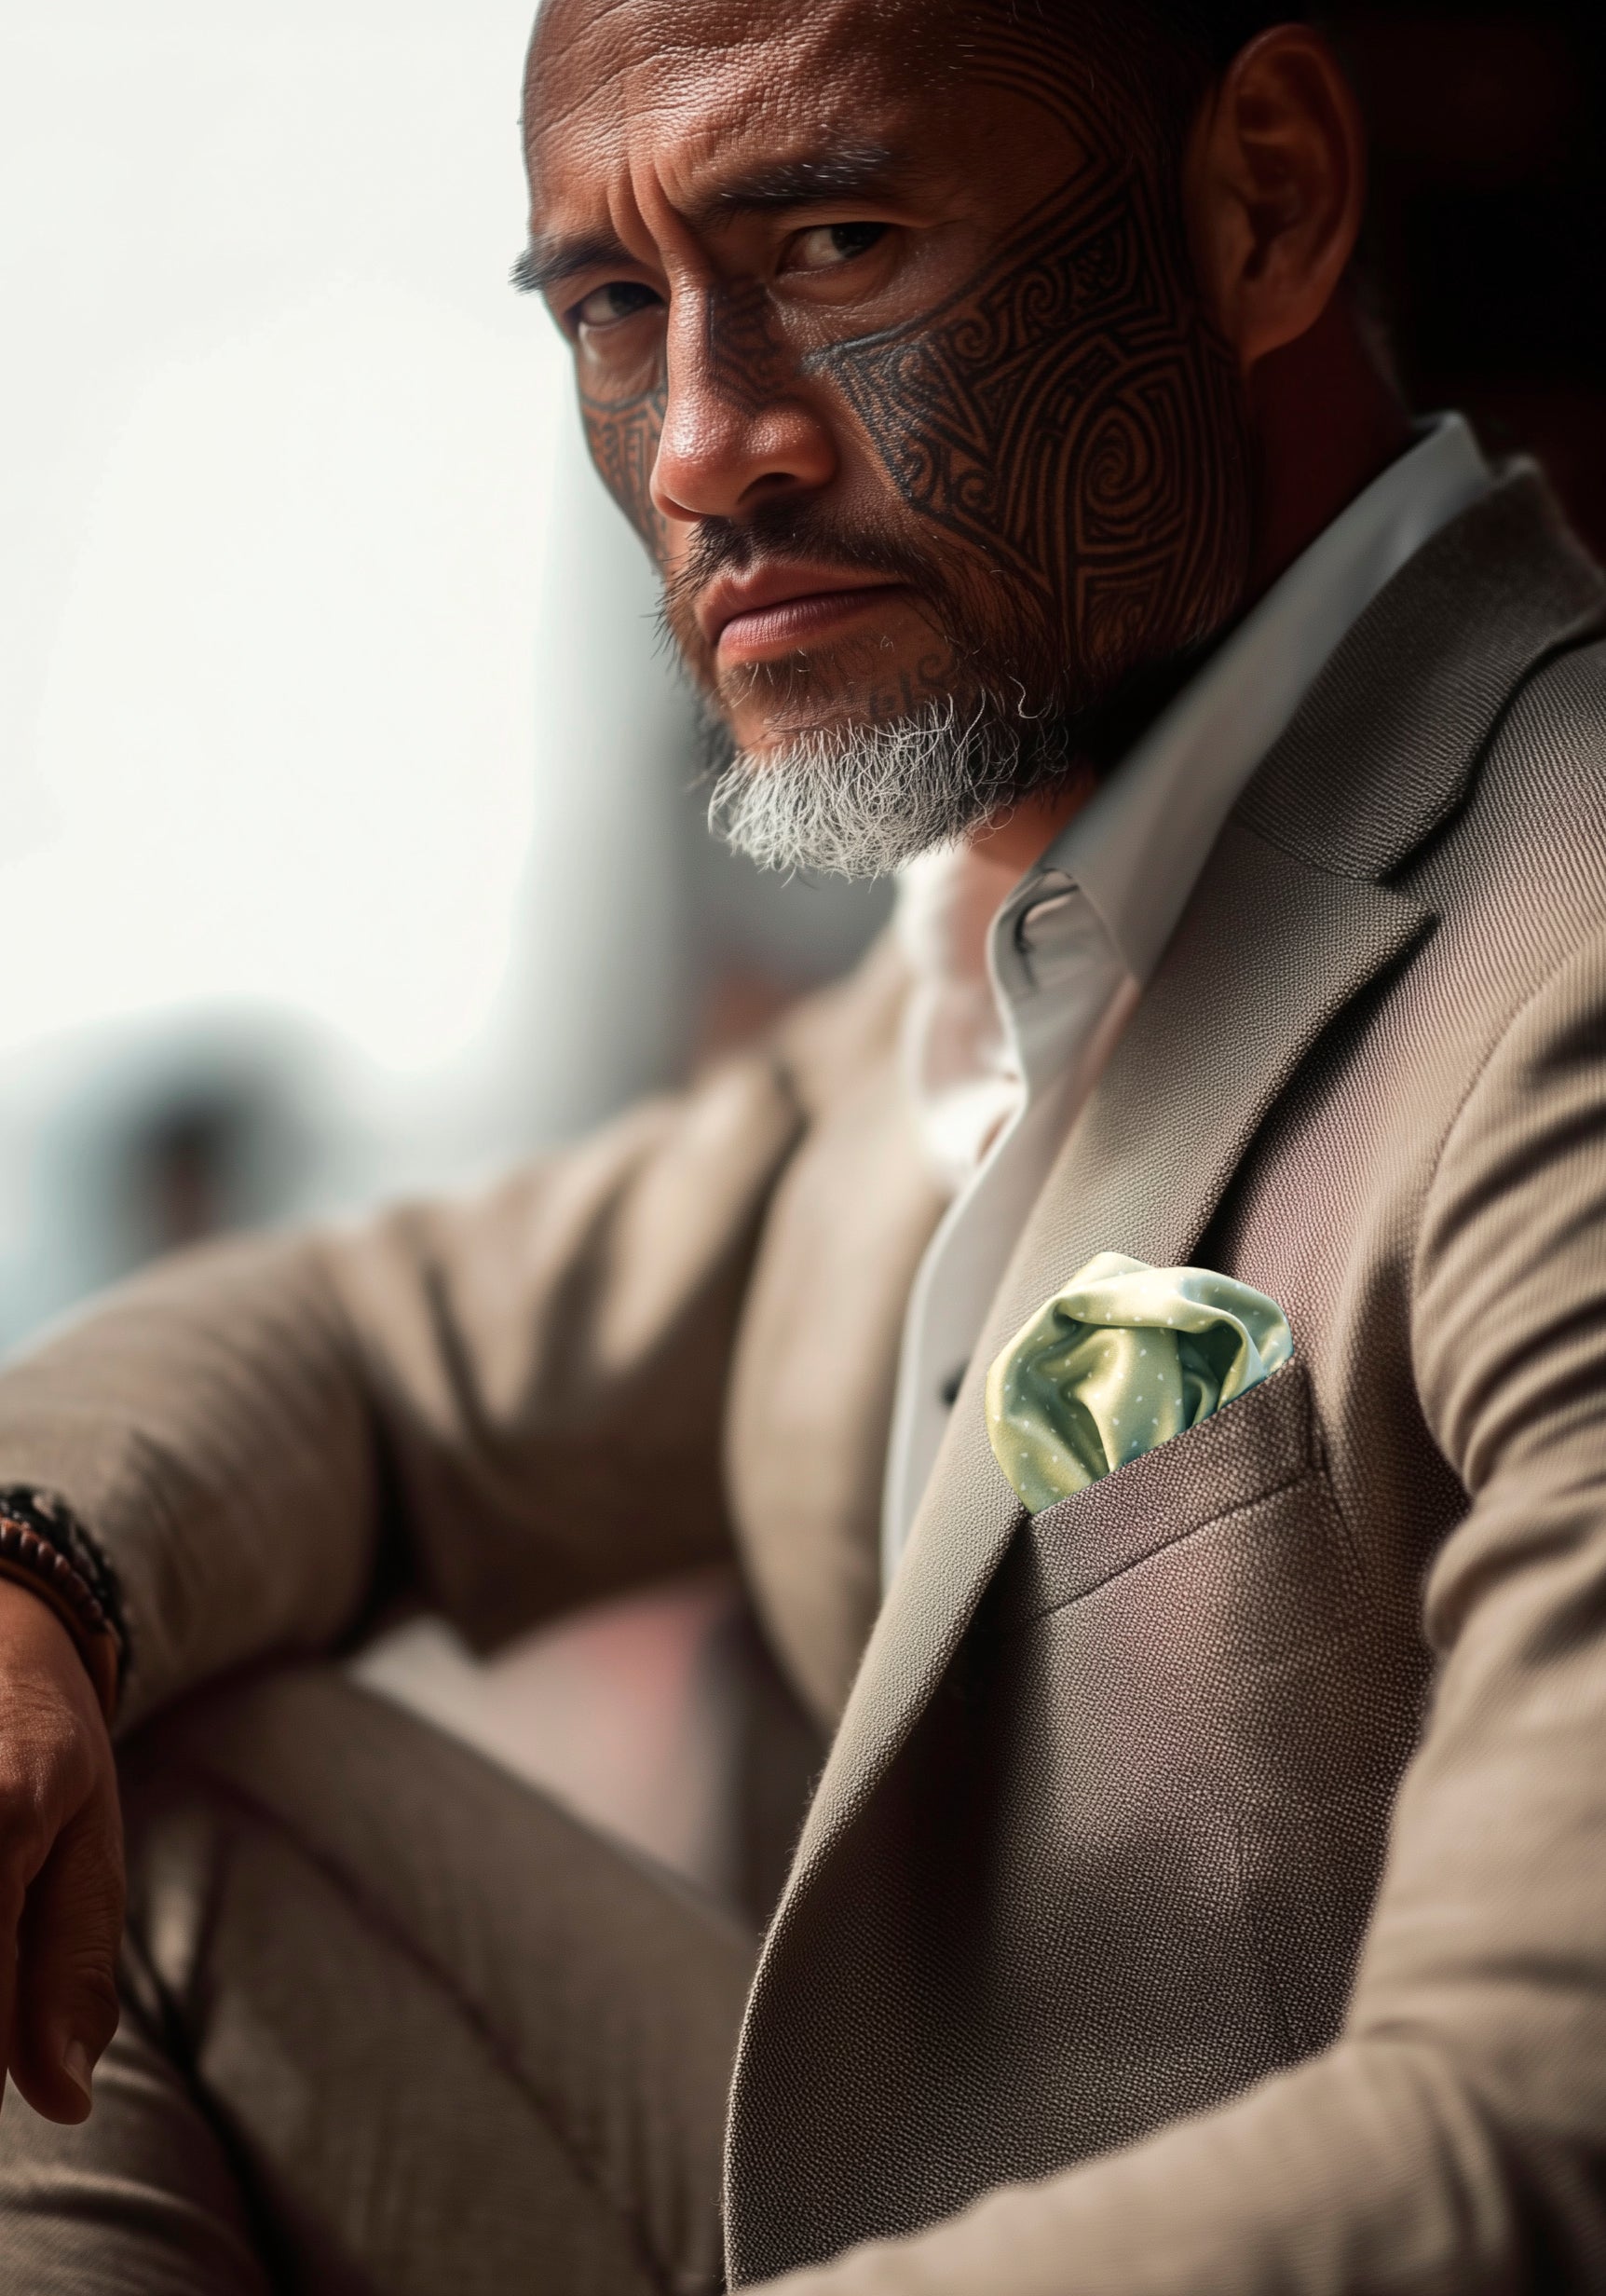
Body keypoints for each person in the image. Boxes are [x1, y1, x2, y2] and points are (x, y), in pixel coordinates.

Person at [3, 0, 1606, 2287]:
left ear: (1260, 200)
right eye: (615, 308)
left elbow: (1534, 2140)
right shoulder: (1026, 937)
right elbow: (384, 1355)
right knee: (70, 1802)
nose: (699, 448)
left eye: (840, 241)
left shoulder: (1557, 970)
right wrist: (27, 1564)